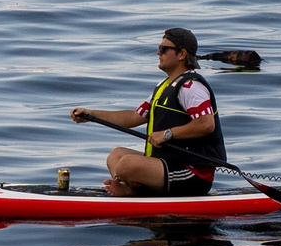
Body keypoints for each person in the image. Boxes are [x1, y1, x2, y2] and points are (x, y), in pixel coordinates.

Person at [71, 28, 227, 197]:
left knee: (127, 165)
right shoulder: (163, 86)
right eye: (159, 48)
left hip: (192, 173)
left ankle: (131, 190)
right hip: (168, 164)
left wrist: (167, 134)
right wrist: (91, 115)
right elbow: (133, 117)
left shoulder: (191, 87)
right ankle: (131, 188)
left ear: (181, 54)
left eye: (164, 49)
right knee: (116, 155)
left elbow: (206, 124)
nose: (157, 52)